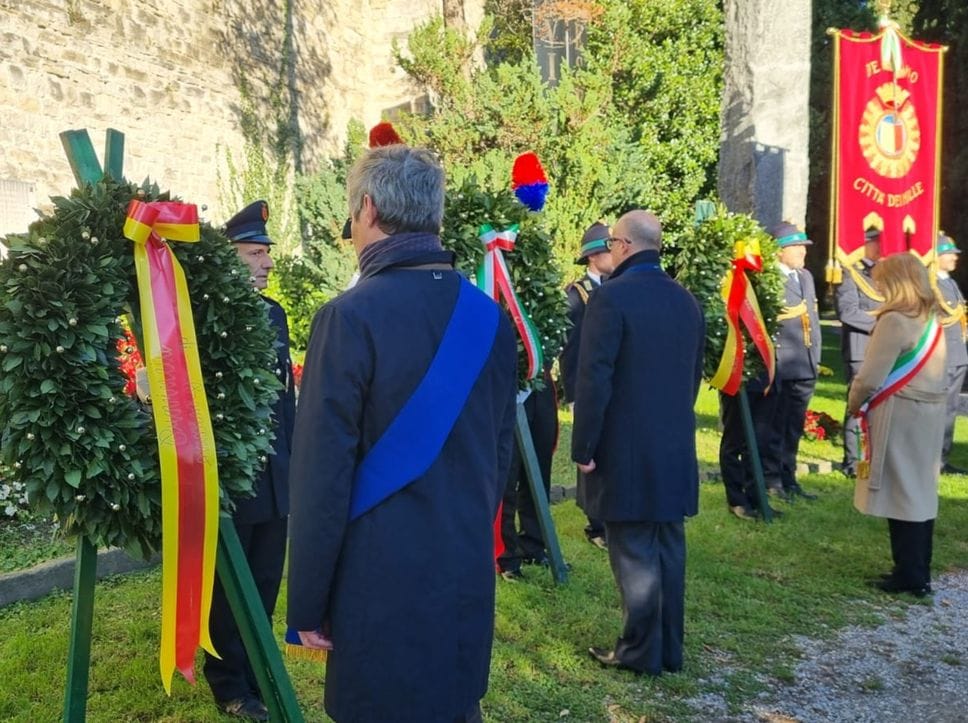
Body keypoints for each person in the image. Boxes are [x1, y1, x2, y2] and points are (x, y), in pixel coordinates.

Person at [286, 144, 518, 722]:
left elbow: (321, 475)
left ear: (366, 209)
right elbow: (499, 453)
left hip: (376, 583)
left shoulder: (348, 318)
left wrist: (308, 603)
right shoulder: (487, 317)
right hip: (461, 569)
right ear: (434, 216)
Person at [571, 210, 704, 676]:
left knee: (632, 549)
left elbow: (594, 381)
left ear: (623, 245)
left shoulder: (611, 300)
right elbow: (692, 379)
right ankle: (668, 649)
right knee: (668, 544)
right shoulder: (685, 300)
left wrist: (583, 447)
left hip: (625, 447)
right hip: (673, 442)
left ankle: (638, 651)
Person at [203, 200, 295, 721]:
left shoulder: (274, 313)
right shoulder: (209, 314)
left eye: (266, 252)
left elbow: (285, 398)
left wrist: (295, 458)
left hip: (276, 469)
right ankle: (229, 682)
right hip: (235, 474)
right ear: (228, 256)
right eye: (254, 253)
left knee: (265, 576)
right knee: (228, 583)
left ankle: (259, 666)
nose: (266, 262)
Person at [847, 252, 946, 598]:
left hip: (900, 414)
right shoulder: (931, 318)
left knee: (902, 493)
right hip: (929, 415)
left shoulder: (894, 320)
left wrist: (853, 406)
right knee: (919, 492)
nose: (878, 286)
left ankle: (909, 574)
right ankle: (918, 569)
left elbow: (869, 378)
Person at [559, 221, 615, 550]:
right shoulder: (577, 295)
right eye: (608, 250)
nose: (614, 255)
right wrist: (573, 395)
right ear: (594, 258)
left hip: (610, 387)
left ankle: (609, 514)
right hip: (585, 385)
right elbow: (571, 350)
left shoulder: (616, 287)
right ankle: (596, 524)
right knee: (589, 453)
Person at [764, 222, 821, 501]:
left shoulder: (805, 277)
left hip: (805, 362)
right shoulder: (768, 278)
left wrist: (816, 358)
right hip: (783, 363)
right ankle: (772, 479)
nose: (802, 252)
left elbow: (813, 319)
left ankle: (789, 476)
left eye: (803, 246)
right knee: (776, 425)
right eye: (795, 247)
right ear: (778, 251)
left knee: (794, 425)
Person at [495, 368, 559, 581]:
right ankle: (506, 555)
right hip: (506, 382)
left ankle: (534, 544)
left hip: (539, 380)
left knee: (540, 467)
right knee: (507, 473)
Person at [835, 228, 882, 477]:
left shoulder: (884, 273)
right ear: (864, 245)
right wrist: (883, 326)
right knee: (858, 406)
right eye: (876, 242)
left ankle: (874, 457)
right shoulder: (849, 273)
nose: (881, 247)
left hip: (883, 351)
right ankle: (853, 461)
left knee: (879, 407)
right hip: (860, 350)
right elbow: (848, 312)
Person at [934, 233, 968, 474]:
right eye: (949, 253)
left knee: (950, 409)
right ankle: (932, 460)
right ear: (936, 256)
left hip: (957, 355)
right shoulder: (931, 284)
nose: (955, 258)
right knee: (938, 410)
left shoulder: (950, 282)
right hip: (942, 356)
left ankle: (942, 459)